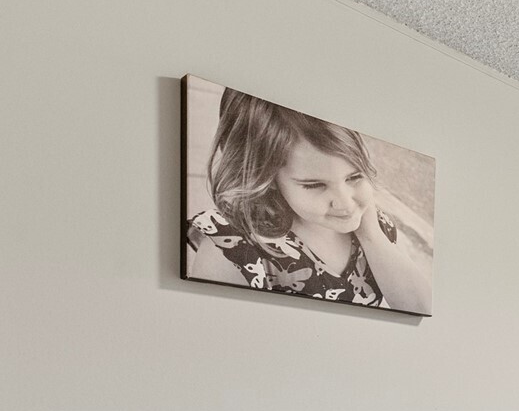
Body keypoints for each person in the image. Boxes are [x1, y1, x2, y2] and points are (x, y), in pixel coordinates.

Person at [184, 88, 432, 313]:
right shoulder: (233, 247)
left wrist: (372, 237)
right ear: (267, 178)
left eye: (354, 177)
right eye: (315, 185)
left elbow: (420, 308)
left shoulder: (374, 226)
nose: (344, 203)